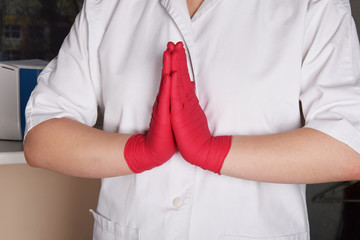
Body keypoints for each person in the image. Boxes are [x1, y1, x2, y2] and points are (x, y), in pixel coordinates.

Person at [23, 0, 360, 239]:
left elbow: (348, 148)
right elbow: (42, 138)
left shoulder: (313, 6)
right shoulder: (109, 7)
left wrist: (212, 151)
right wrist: (139, 151)